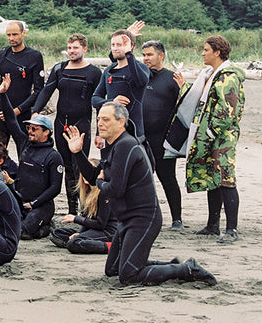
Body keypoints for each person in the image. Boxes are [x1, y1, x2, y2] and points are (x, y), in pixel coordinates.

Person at [64, 102, 216, 286]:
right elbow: (96, 176)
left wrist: (100, 182)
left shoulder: (126, 145)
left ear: (121, 122)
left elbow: (114, 189)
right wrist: (78, 153)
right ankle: (172, 266)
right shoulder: (116, 146)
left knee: (128, 277)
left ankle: (186, 269)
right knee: (113, 270)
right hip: (126, 220)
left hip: (143, 219)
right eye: (98, 119)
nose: (100, 123)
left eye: (105, 119)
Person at [177, 36, 244, 243]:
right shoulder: (211, 74)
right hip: (210, 135)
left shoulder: (227, 77)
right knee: (212, 179)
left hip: (222, 138)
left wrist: (211, 133)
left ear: (217, 52)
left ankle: (231, 229)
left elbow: (228, 110)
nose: (203, 53)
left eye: (206, 50)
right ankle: (212, 225)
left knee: (225, 179)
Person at [31, 33, 102, 214]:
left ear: (85, 49)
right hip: (61, 124)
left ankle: (87, 208)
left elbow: (99, 102)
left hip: (82, 125)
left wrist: (100, 131)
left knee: (81, 167)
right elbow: (47, 91)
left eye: (76, 48)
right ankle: (72, 210)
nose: (71, 51)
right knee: (67, 167)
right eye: (69, 48)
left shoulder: (94, 73)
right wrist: (35, 111)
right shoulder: (59, 69)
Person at [0, 75, 63, 240]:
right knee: (6, 227)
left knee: (23, 232)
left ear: (46, 132)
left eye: (35, 129)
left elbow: (55, 188)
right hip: (21, 201)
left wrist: (34, 204)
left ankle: (45, 227)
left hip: (41, 205)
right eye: (29, 128)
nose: (30, 131)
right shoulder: (25, 144)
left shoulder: (54, 156)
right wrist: (3, 94)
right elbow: (11, 120)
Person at [141, 40, 184, 230]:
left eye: (149, 54)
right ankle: (145, 217)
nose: (145, 58)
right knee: (142, 180)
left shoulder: (172, 78)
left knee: (168, 178)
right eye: (143, 54)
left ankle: (177, 219)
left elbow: (185, 107)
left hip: (163, 139)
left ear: (161, 55)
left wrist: (183, 89)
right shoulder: (141, 76)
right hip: (141, 138)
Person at [92, 22, 150, 141]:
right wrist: (112, 102)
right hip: (110, 132)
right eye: (113, 44)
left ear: (131, 46)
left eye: (120, 44)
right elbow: (95, 99)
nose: (115, 47)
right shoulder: (108, 71)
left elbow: (141, 81)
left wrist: (128, 53)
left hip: (133, 133)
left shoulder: (141, 68)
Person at [49, 159, 119, 254]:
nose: (85, 176)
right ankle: (85, 242)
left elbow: (101, 224)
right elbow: (87, 217)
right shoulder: (87, 191)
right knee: (56, 233)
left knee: (74, 243)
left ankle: (112, 247)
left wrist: (76, 219)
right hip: (94, 229)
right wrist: (81, 233)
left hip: (109, 231)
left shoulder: (103, 192)